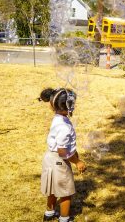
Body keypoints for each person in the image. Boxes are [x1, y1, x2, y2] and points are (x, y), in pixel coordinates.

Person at [39, 88, 86, 222]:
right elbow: (62, 151)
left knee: (52, 188)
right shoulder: (64, 127)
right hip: (59, 161)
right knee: (65, 193)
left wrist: (74, 151)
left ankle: (49, 213)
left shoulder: (58, 118)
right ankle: (64, 219)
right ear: (70, 106)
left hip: (49, 158)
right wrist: (77, 161)